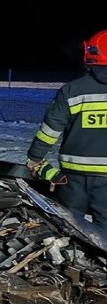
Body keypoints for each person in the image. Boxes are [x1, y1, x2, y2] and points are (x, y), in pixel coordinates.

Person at [25, 29, 107, 233]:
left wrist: (35, 157)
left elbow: (50, 129)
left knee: (70, 228)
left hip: (73, 179)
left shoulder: (72, 90)